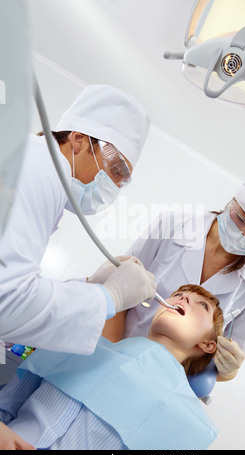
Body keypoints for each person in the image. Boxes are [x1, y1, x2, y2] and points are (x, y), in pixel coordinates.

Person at [104, 156, 245, 382]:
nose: (243, 233)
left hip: (168, 381)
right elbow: (118, 295)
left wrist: (229, 370)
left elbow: (225, 359)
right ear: (232, 203)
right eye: (240, 218)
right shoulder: (173, 224)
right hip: (116, 346)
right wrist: (112, 357)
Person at [0, 84, 157, 354]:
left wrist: (89, 285)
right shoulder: (41, 171)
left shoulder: (35, 162)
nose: (115, 185)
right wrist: (109, 297)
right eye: (116, 169)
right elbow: (8, 300)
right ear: (79, 139)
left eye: (123, 179)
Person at [0, 285, 224, 450]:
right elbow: (5, 407)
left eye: (202, 305)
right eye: (178, 294)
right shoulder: (79, 344)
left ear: (207, 344)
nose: (183, 297)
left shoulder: (189, 424)